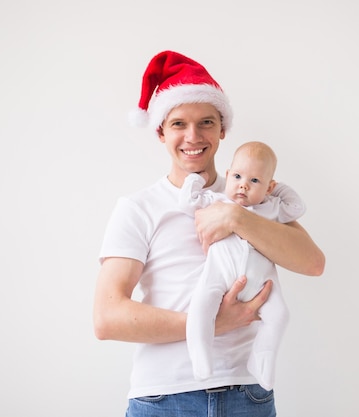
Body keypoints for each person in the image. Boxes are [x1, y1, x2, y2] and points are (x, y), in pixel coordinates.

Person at [93, 50, 325, 417]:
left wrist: (236, 218)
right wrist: (209, 324)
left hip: (248, 395)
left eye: (205, 122)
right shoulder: (138, 207)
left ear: (222, 130)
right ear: (160, 132)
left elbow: (312, 263)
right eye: (178, 124)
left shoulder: (250, 196)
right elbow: (107, 318)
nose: (192, 136)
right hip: (164, 398)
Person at [180, 141, 305, 391]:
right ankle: (201, 356)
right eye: (237, 176)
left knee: (280, 315)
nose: (243, 185)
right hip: (219, 275)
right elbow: (188, 202)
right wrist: (196, 179)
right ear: (228, 176)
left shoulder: (271, 208)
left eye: (255, 181)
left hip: (261, 284)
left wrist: (275, 190)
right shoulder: (217, 201)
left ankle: (261, 360)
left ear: (269, 186)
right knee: (201, 308)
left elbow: (298, 207)